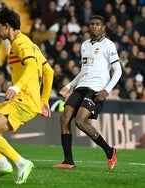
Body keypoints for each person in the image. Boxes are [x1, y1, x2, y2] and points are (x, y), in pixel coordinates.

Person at [0, 6, 54, 184]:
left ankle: (21, 163)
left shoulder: (20, 43)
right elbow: (49, 71)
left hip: (23, 101)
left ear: (7, 26)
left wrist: (17, 87)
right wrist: (44, 100)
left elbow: (33, 67)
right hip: (27, 100)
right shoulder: (30, 44)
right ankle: (2, 163)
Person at [53, 15, 122, 170]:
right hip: (81, 87)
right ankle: (68, 160)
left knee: (80, 121)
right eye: (91, 24)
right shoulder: (84, 45)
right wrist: (69, 86)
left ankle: (110, 151)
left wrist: (106, 90)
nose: (94, 27)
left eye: (97, 24)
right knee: (64, 118)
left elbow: (118, 71)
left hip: (96, 89)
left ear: (103, 27)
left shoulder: (108, 45)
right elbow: (83, 71)